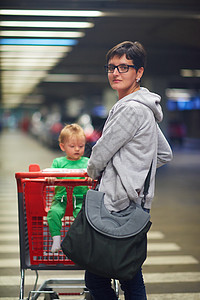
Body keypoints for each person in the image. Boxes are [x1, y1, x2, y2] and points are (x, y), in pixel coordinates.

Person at [85, 41, 173, 299]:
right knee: (129, 274)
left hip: (118, 204)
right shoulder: (145, 108)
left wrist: (98, 172)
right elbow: (164, 153)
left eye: (124, 67)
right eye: (111, 67)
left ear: (139, 72)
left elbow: (101, 152)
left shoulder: (129, 108)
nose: (116, 73)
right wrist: (134, 171)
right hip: (135, 204)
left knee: (98, 279)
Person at [47, 124, 90, 253]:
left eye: (81, 146)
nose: (77, 149)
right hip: (61, 198)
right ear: (62, 146)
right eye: (72, 146)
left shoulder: (88, 162)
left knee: (81, 218)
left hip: (81, 199)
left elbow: (93, 175)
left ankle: (76, 243)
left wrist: (90, 179)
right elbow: (51, 175)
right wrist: (50, 179)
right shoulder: (58, 163)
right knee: (53, 213)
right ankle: (56, 240)